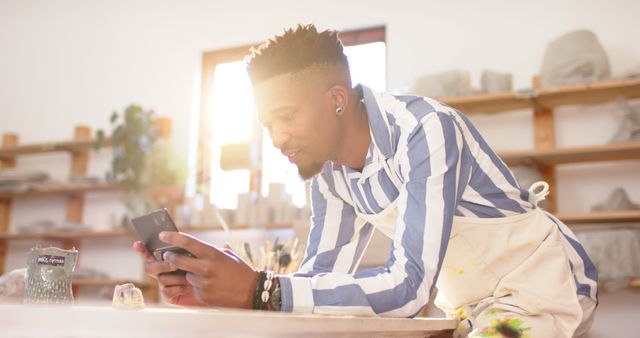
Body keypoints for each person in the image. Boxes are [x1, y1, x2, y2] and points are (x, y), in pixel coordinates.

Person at [133, 24, 598, 337]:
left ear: (337, 98)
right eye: (267, 125)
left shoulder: (424, 130)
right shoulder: (328, 173)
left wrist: (260, 288)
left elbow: (409, 288)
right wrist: (224, 294)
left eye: (286, 117)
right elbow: (321, 281)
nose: (277, 138)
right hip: (471, 307)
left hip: (543, 289)